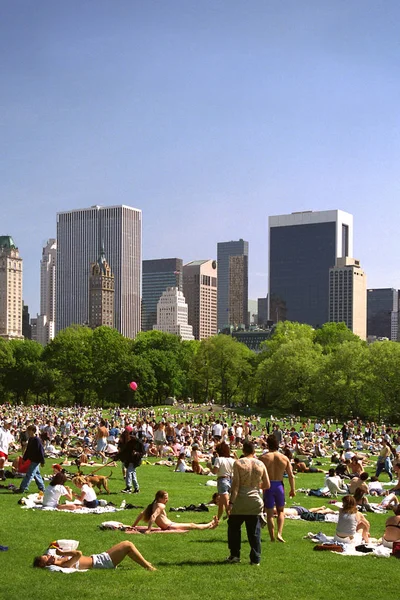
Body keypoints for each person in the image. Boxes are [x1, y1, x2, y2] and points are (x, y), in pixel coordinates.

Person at [226, 441, 270, 565]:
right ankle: (255, 559)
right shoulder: (260, 464)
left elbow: (235, 486)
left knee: (234, 527)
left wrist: (231, 503)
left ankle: (235, 555)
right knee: (254, 531)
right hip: (255, 500)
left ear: (243, 451)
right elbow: (267, 484)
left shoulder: (238, 463)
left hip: (240, 499)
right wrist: (255, 487)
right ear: (254, 451)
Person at [260, 435, 295, 543]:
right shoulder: (284, 458)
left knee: (270, 513)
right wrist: (292, 489)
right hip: (279, 485)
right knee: (280, 511)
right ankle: (279, 533)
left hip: (268, 485)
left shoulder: (263, 458)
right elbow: (291, 475)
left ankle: (272, 537)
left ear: (268, 444)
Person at [33, 541, 156, 571]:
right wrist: (62, 553)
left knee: (127, 547)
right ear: (47, 564)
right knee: (127, 545)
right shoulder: (64, 564)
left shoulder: (59, 560)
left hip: (99, 557)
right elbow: (78, 553)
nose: (49, 556)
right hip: (103, 563)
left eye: (47, 556)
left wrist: (54, 550)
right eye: (47, 558)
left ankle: (146, 564)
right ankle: (149, 567)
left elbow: (50, 548)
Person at [131, 490, 219, 532]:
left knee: (192, 525)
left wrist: (133, 526)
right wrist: (149, 530)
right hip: (170, 526)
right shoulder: (160, 505)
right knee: (192, 525)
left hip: (169, 525)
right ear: (159, 498)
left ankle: (210, 525)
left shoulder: (152, 505)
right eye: (165, 498)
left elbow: (141, 514)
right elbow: (153, 516)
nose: (167, 500)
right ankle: (210, 524)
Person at [15, 425, 45, 494]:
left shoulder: (37, 440)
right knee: (37, 475)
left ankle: (22, 488)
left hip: (36, 460)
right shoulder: (31, 439)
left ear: (32, 431)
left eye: (29, 430)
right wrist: (24, 458)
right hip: (32, 459)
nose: (27, 432)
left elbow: (41, 451)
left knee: (29, 474)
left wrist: (42, 461)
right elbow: (28, 450)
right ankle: (42, 488)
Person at [211, 441, 236, 520]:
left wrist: (209, 467)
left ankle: (231, 520)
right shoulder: (232, 460)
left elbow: (214, 471)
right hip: (231, 480)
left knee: (226, 503)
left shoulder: (219, 459)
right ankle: (217, 519)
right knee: (222, 502)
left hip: (222, 480)